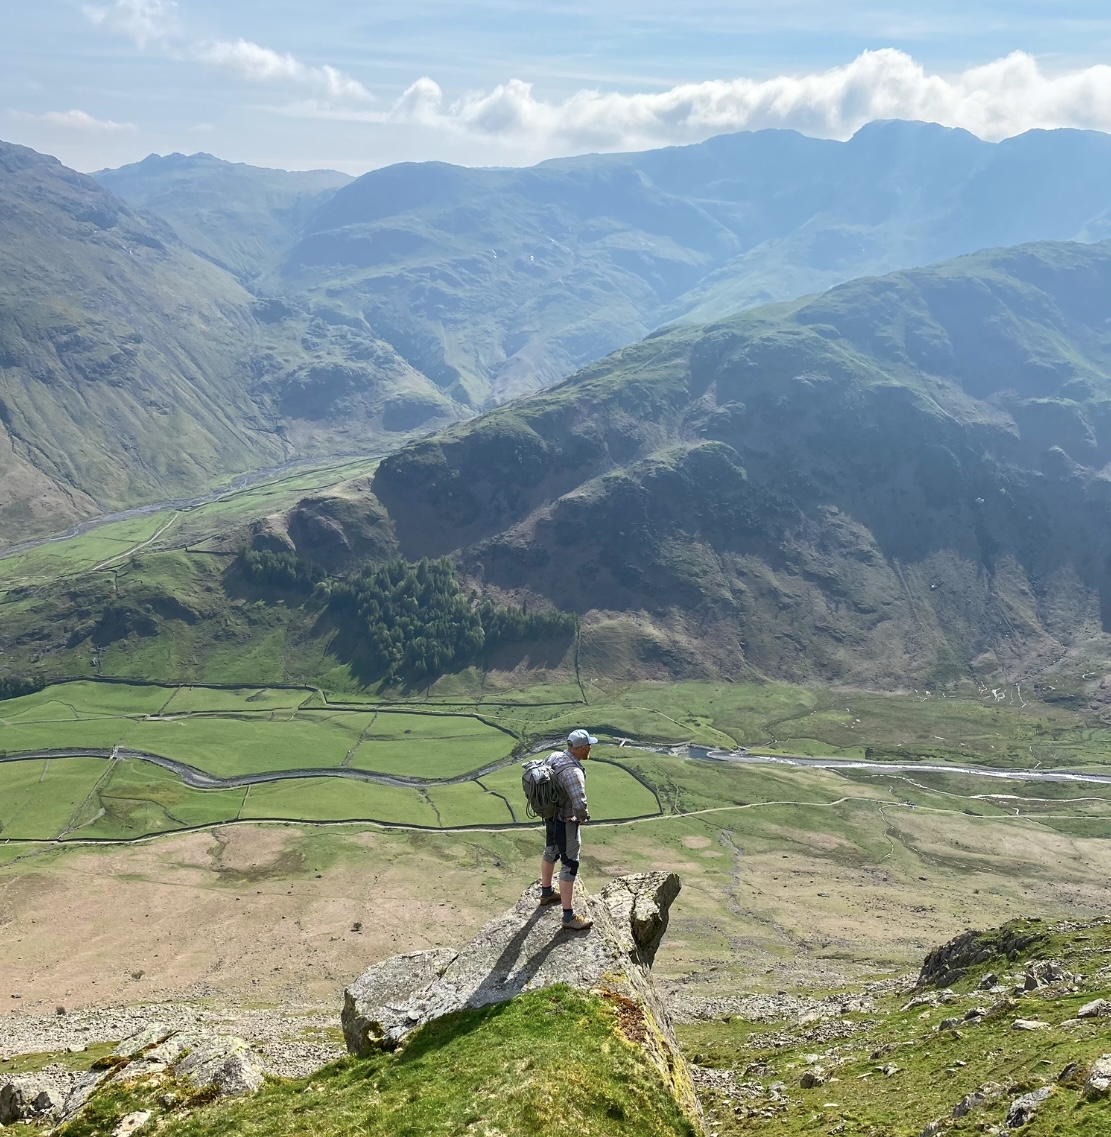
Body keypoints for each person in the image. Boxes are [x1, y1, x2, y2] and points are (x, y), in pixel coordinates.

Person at [539, 728, 596, 931]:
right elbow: (579, 802)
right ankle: (568, 917)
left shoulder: (554, 757)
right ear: (582, 748)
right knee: (570, 864)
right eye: (589, 745)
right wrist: (583, 818)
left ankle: (546, 892)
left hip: (550, 816)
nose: (591, 748)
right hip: (566, 821)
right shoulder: (573, 772)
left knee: (550, 851)